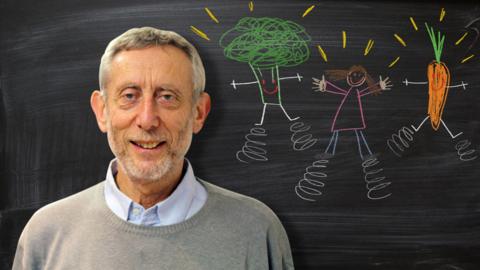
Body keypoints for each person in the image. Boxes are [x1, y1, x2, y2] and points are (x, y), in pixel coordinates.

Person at [13, 27, 294, 269]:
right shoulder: (46, 235)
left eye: (168, 97)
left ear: (198, 112)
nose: (147, 120)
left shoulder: (258, 232)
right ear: (102, 112)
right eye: (129, 96)